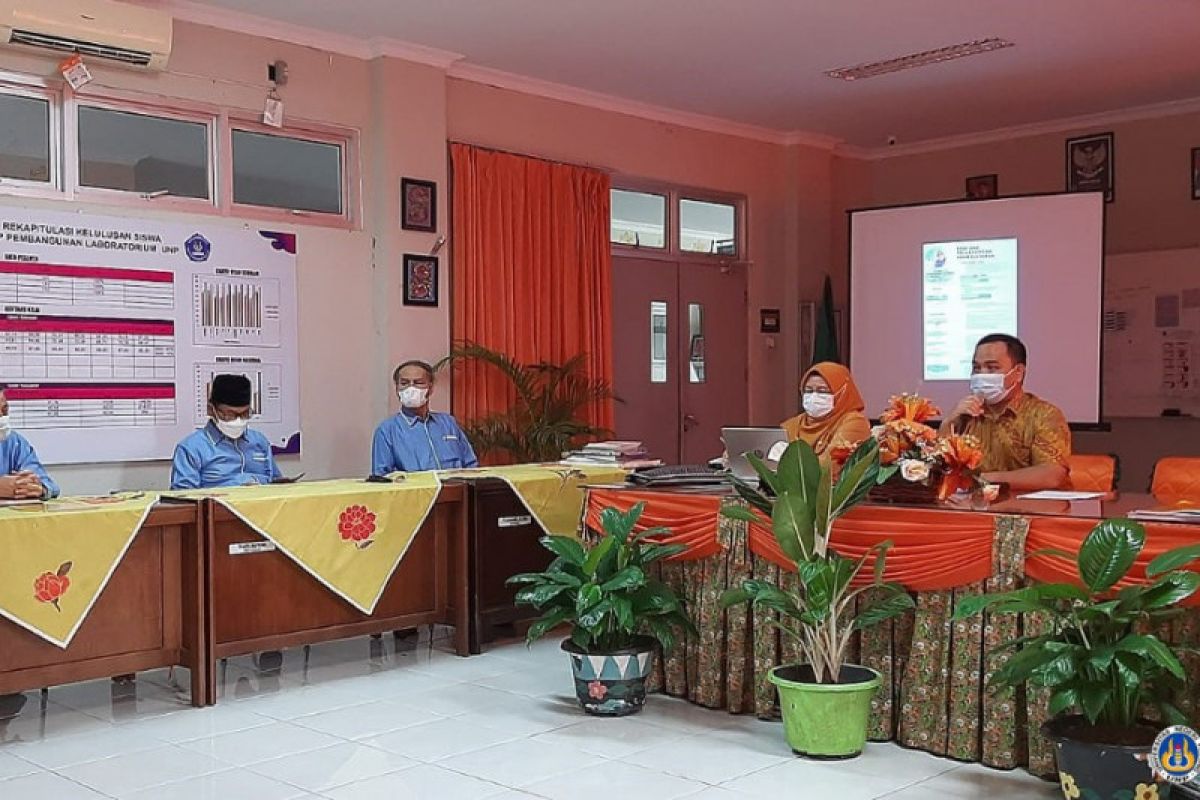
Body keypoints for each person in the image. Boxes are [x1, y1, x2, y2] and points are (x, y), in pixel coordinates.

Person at [940, 333, 1071, 492]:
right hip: (973, 508)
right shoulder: (966, 415)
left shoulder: (1044, 415)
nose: (982, 375)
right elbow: (938, 468)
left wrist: (985, 479)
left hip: (1030, 509)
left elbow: (1052, 475)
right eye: (976, 368)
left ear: (1018, 373)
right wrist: (948, 423)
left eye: (992, 368)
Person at [170, 374, 282, 489]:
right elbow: (183, 498)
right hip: (217, 505)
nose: (238, 420)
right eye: (229, 414)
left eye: (244, 414)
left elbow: (276, 483)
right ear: (211, 410)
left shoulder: (259, 441)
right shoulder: (191, 448)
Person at [371, 360, 478, 475]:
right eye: (404, 383)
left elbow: (471, 465)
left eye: (418, 382)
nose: (411, 388)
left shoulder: (448, 423)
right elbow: (382, 478)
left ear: (430, 388)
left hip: (456, 490)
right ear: (397, 389)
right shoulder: (387, 431)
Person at [781, 362, 872, 458]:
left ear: (842, 393)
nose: (814, 396)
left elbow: (829, 465)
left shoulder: (855, 422)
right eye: (808, 390)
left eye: (822, 391)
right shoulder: (793, 424)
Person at [0, 385, 58, 499]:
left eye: (5, 410)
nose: (2, 417)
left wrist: (40, 489)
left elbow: (48, 483)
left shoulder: (14, 443)